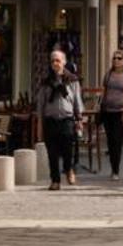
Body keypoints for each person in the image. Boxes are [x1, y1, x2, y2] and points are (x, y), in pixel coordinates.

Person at [34, 47, 83, 191]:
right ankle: (55, 180)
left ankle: (68, 169)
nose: (55, 63)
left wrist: (79, 119)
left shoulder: (72, 80)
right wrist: (39, 125)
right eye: (52, 61)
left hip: (67, 120)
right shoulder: (46, 81)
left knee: (68, 150)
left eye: (58, 60)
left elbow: (77, 101)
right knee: (52, 153)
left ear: (64, 62)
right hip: (50, 120)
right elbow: (40, 105)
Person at [98, 49, 123, 180]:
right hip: (107, 111)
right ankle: (113, 167)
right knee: (110, 141)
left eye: (119, 58)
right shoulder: (108, 75)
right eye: (114, 58)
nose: (116, 60)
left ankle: (116, 170)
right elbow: (103, 91)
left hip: (120, 112)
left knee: (117, 141)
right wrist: (99, 104)